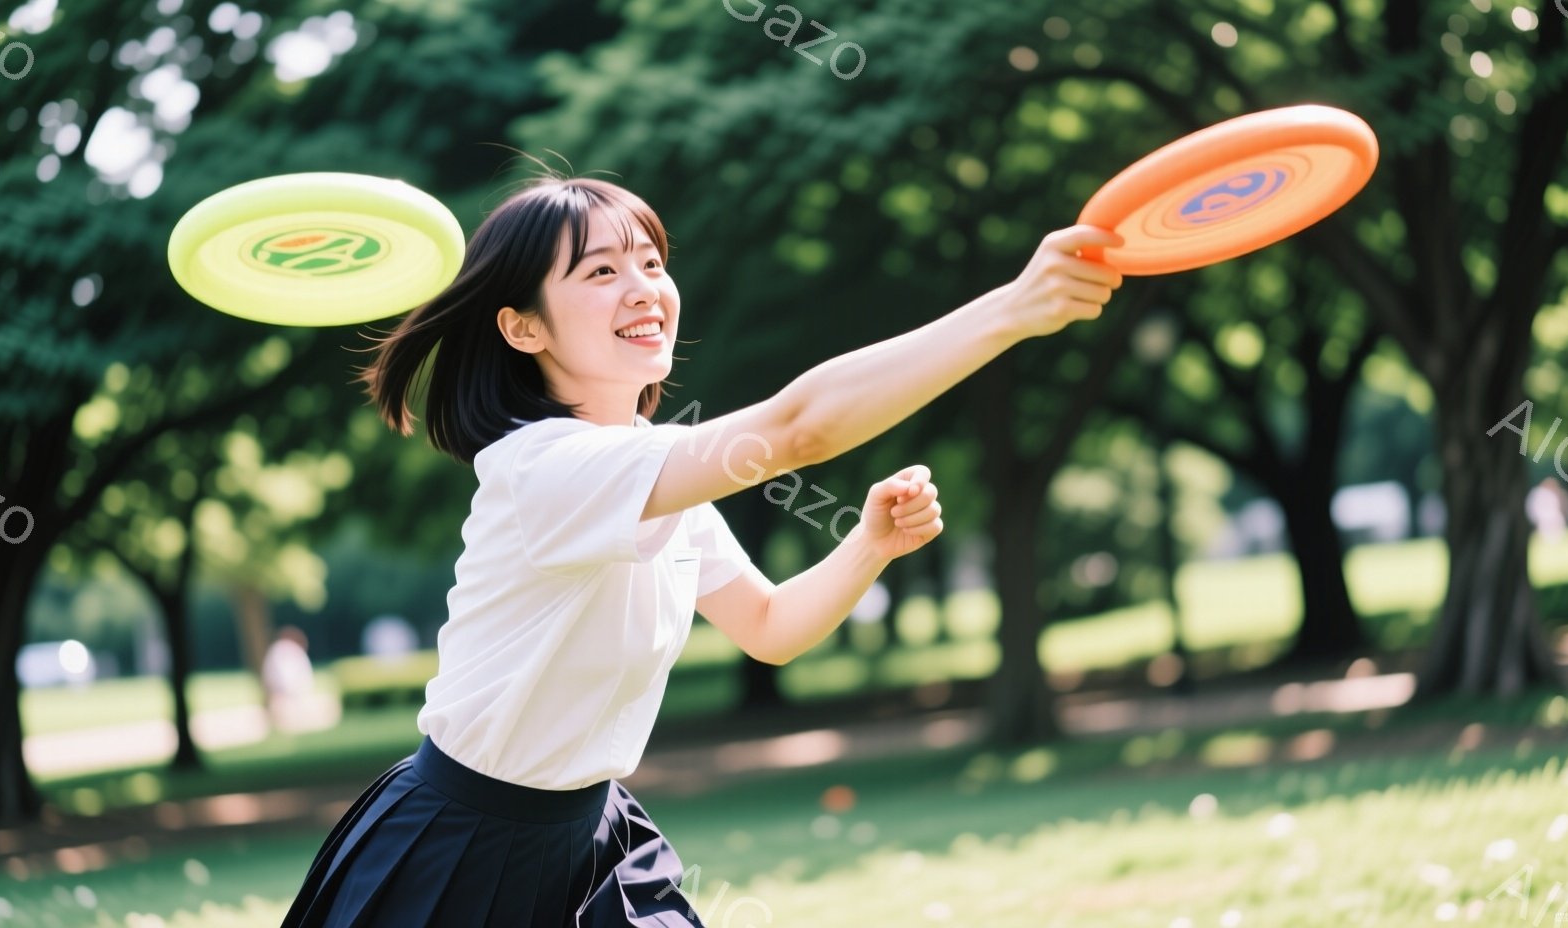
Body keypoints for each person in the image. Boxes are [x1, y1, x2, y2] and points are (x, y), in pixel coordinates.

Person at [279, 169, 1123, 927]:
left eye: (650, 262)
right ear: (523, 327)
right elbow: (799, 429)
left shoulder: (648, 470)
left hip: (591, 838)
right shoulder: (547, 470)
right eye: (600, 272)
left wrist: (868, 546)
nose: (643, 289)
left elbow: (770, 626)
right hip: (459, 851)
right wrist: (1012, 309)